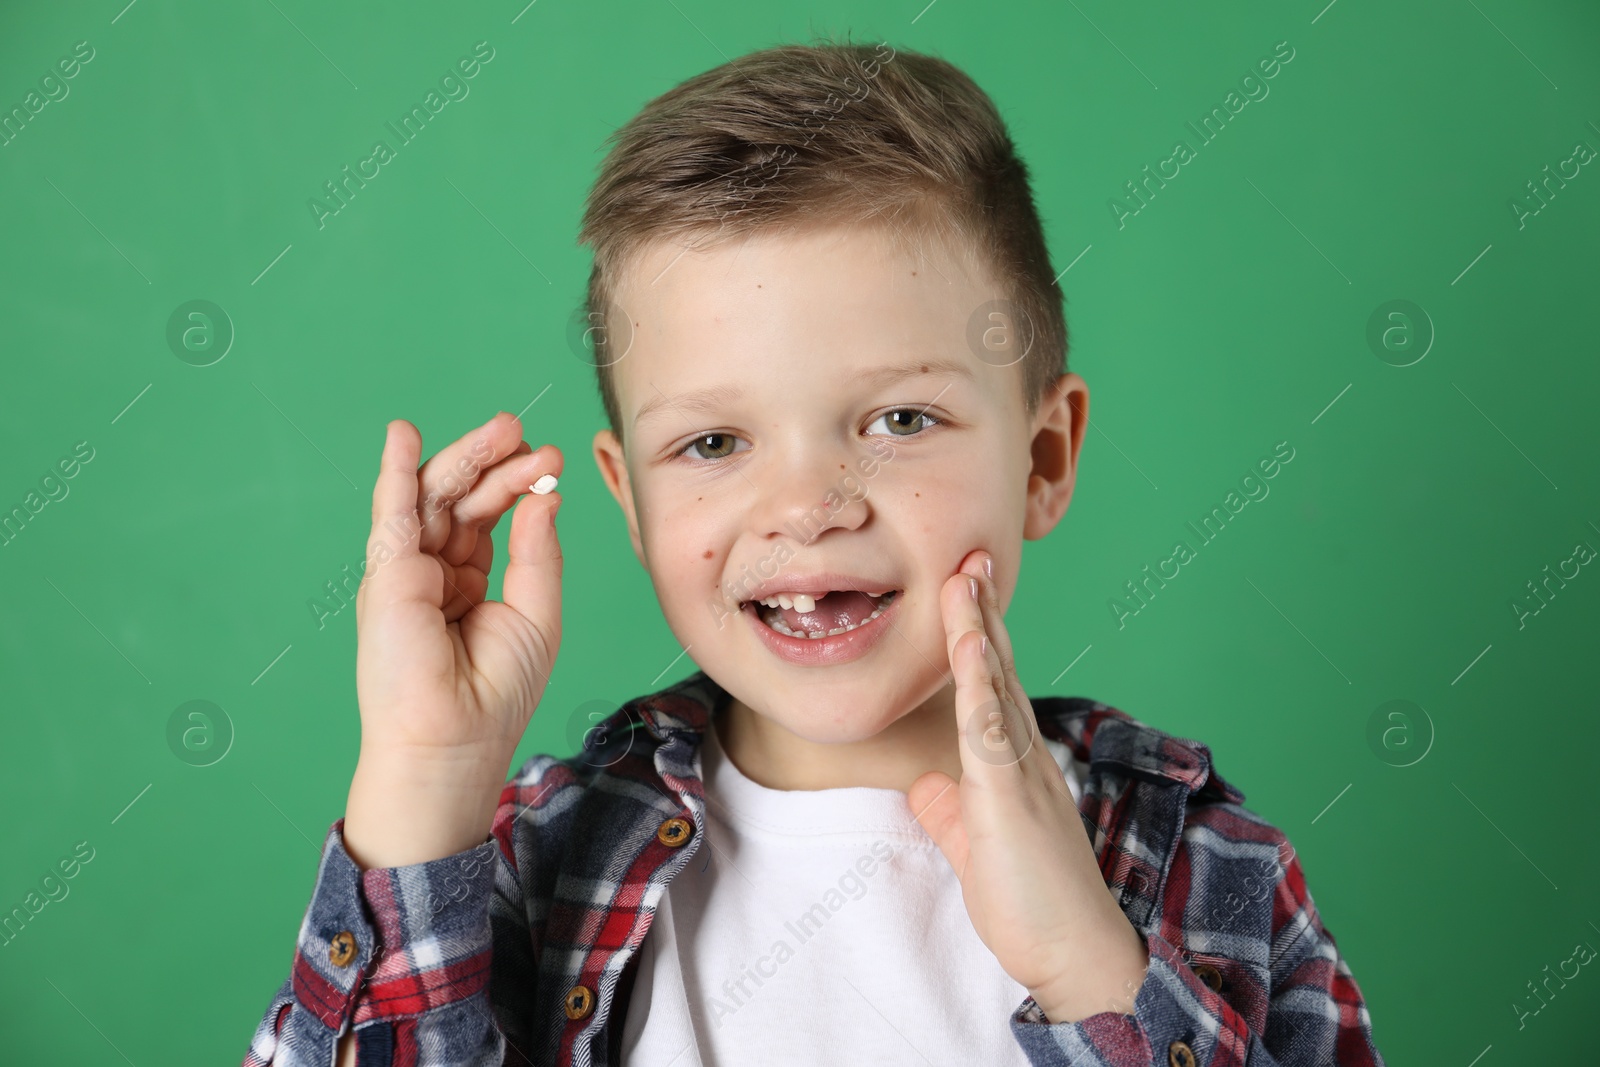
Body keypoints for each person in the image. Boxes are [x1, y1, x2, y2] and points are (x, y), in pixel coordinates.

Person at [241, 37, 1386, 1067]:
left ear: (1042, 457)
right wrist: (424, 777)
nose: (804, 506)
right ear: (630, 505)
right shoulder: (526, 861)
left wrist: (1092, 970)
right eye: (712, 440)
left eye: (897, 420)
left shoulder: (1213, 867)